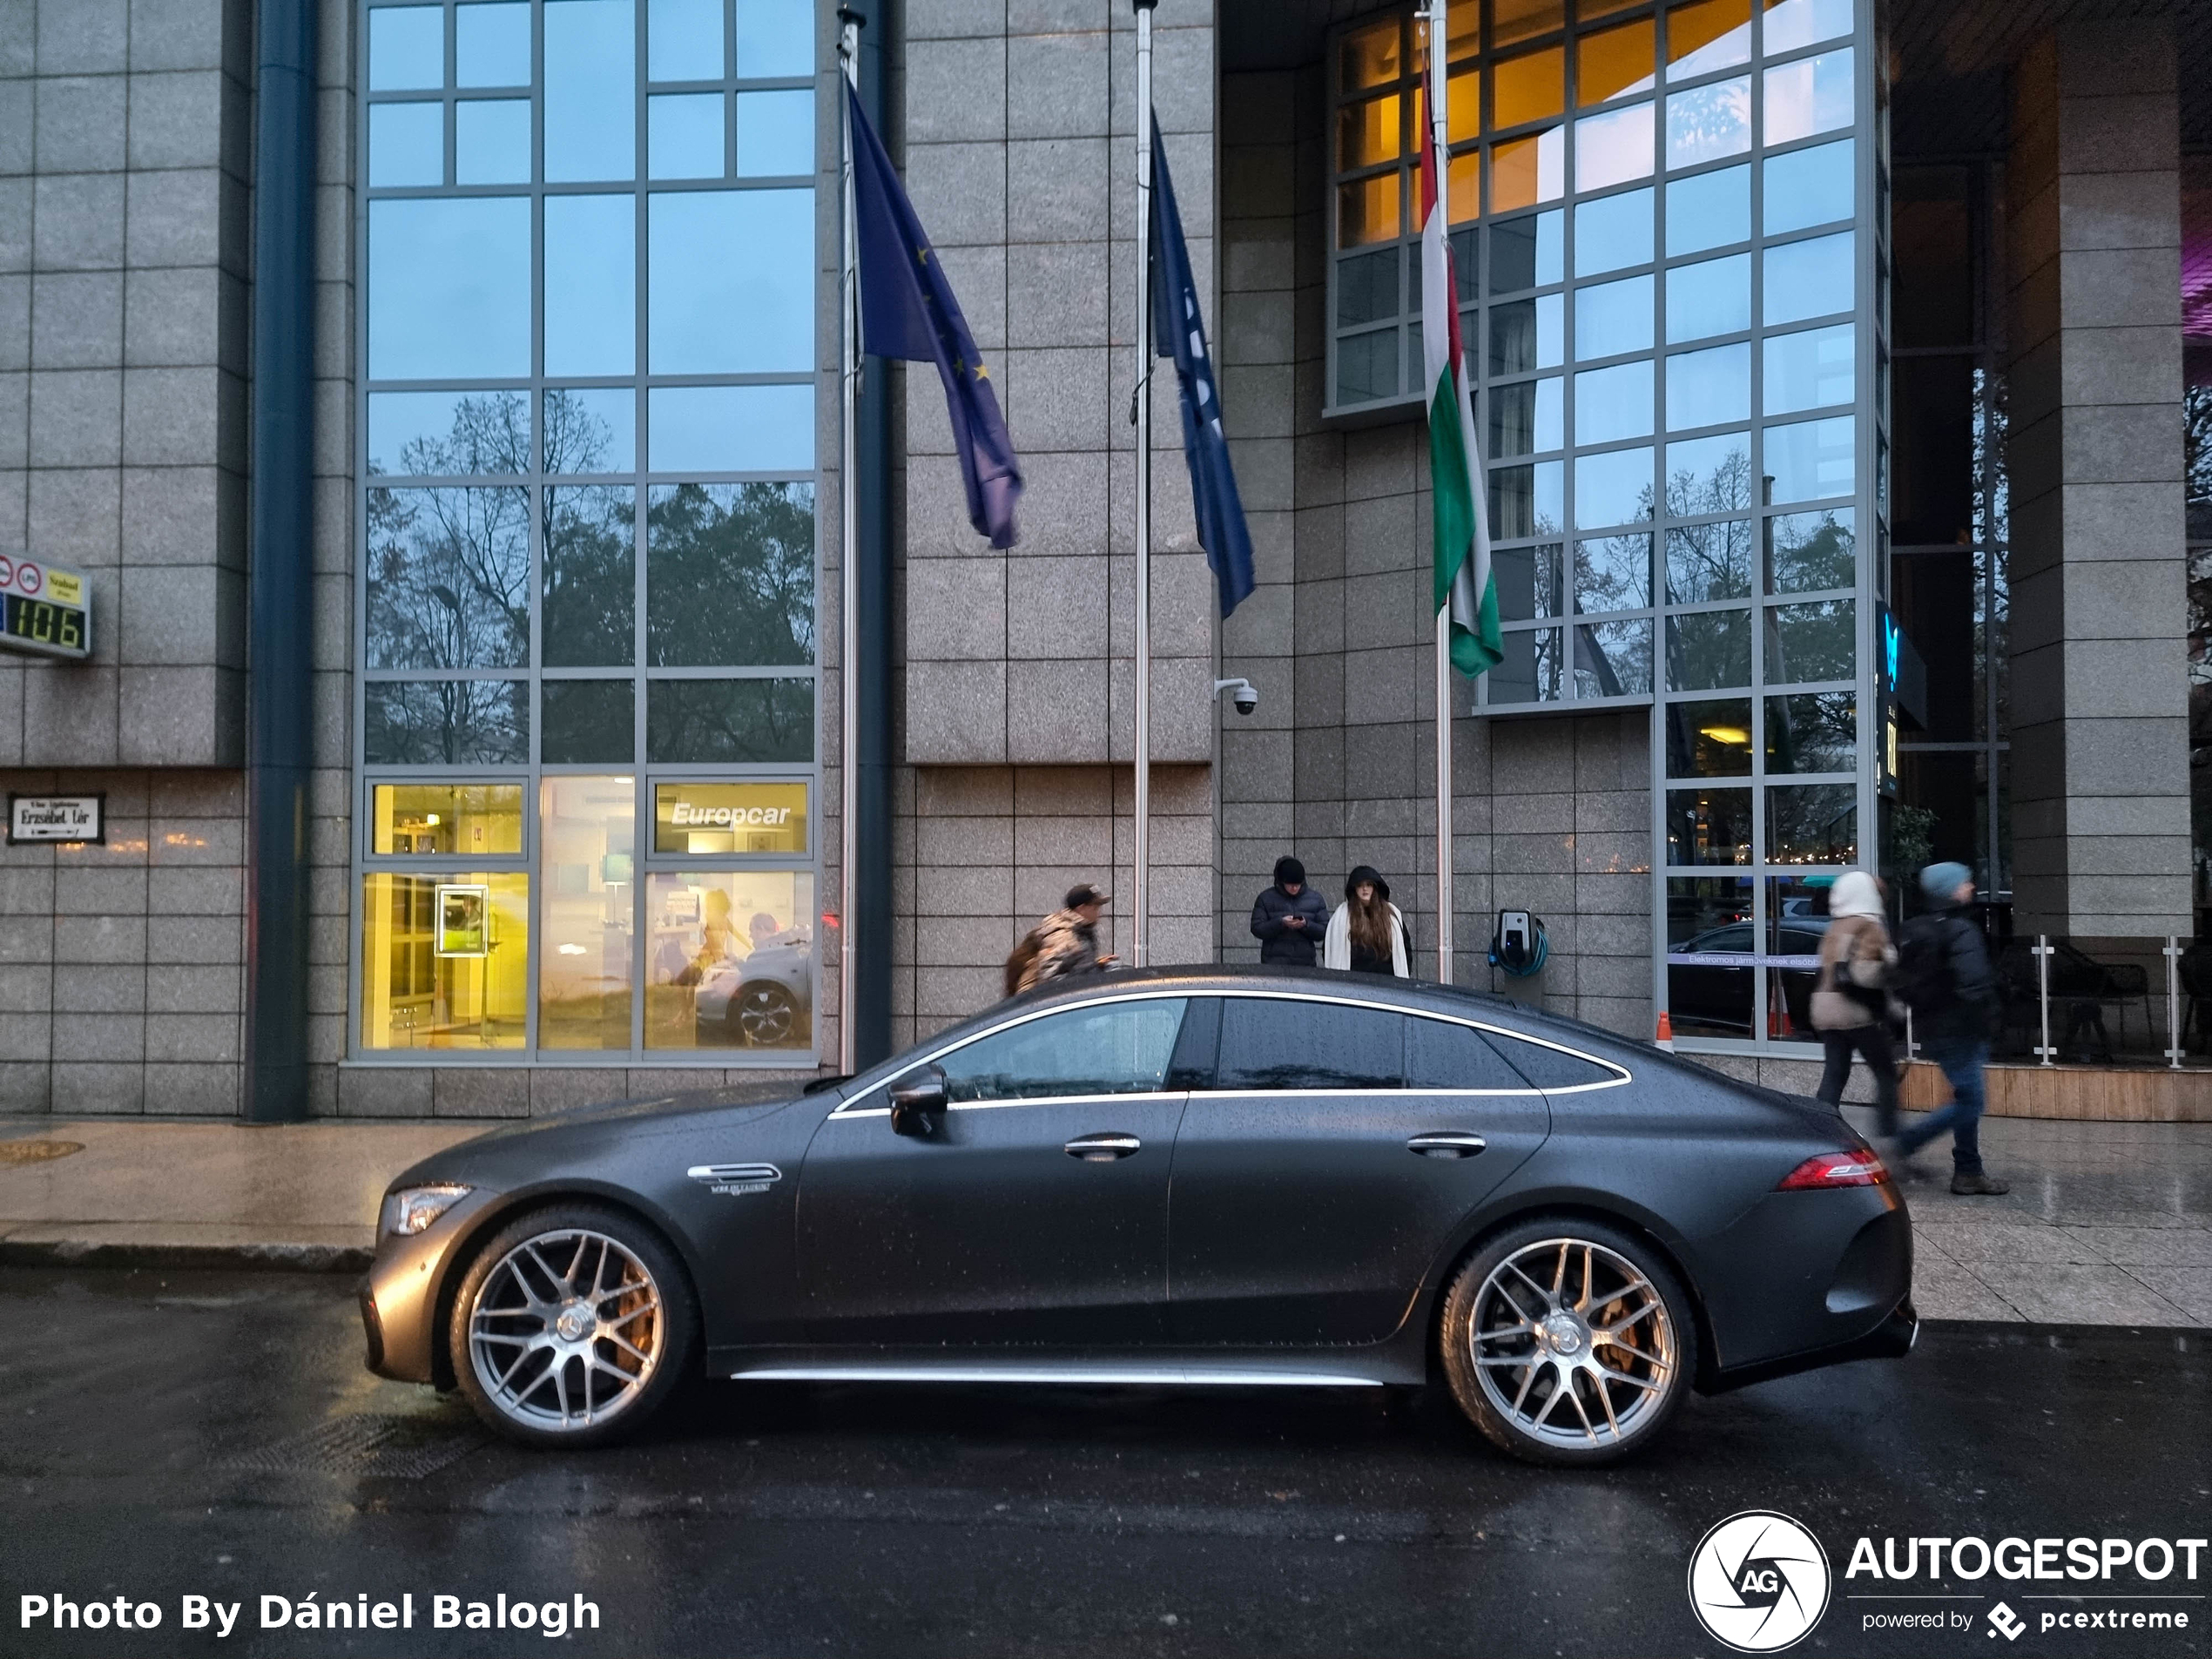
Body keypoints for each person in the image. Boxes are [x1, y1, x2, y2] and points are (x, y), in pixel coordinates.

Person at [1892, 861, 2010, 1196]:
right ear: (1949, 889)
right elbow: (1974, 982)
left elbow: (1900, 979)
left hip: (1933, 1026)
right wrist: (1989, 1015)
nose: (1971, 888)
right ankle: (1902, 1146)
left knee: (1965, 1097)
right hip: (1963, 1028)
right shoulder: (1961, 929)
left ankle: (1969, 1170)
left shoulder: (1915, 928)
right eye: (1965, 883)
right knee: (1971, 1102)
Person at [1810, 868, 1900, 1136]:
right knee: (1886, 1074)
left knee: (1835, 1073)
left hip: (1824, 1010)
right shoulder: (1869, 926)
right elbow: (1866, 972)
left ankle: (1819, 1132)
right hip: (1856, 1011)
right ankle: (1889, 1141)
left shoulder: (1834, 927)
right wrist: (1892, 967)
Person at [1005, 883, 1118, 996]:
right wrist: (1093, 969)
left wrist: (1096, 964)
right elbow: (1050, 982)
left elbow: (1067, 968)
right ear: (1081, 909)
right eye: (1095, 908)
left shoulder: (1079, 929)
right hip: (1039, 1005)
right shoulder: (1064, 936)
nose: (1099, 913)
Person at [1323, 866, 1410, 976]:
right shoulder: (1341, 916)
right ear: (1355, 889)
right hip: (1355, 982)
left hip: (1387, 981)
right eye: (1360, 885)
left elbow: (1405, 948)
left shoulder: (1392, 914)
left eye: (1369, 885)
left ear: (1375, 888)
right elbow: (1329, 947)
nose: (1365, 889)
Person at [1251, 856, 1329, 967]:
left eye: (1298, 884)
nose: (1294, 888)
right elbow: (1256, 928)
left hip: (1305, 964)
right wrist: (1280, 923)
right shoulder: (1265, 898)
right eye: (1290, 885)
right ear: (1281, 882)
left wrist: (1306, 925)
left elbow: (1325, 931)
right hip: (1274, 963)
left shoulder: (1316, 899)